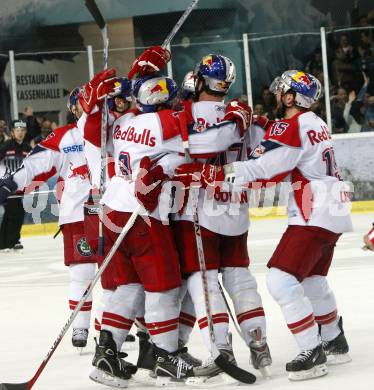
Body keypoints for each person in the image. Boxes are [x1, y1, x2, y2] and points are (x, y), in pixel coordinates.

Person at [81, 50, 250, 385]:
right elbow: (207, 142)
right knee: (165, 286)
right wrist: (236, 122)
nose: (179, 103)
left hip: (114, 211)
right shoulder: (165, 124)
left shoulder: (126, 121)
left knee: (129, 286)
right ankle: (166, 359)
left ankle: (107, 356)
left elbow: (94, 135)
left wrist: (111, 94)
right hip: (145, 216)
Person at [175, 70, 353, 381]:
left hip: (313, 212)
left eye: (282, 91)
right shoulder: (317, 122)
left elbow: (264, 166)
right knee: (311, 280)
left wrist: (216, 175)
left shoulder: (293, 124)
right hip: (334, 210)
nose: (276, 96)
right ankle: (334, 337)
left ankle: (312, 350)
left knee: (281, 280)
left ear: (290, 97)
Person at [171, 54, 271, 380]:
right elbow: (262, 148)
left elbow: (177, 150)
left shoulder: (183, 116)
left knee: (204, 282)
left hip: (197, 211)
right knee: (240, 278)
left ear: (200, 80)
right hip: (236, 210)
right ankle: (258, 339)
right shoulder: (243, 114)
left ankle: (220, 348)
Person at [0, 89, 97, 349]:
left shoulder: (114, 130)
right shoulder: (66, 136)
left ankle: (112, 328)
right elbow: (36, 163)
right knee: (83, 271)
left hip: (115, 212)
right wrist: (12, 182)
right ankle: (81, 326)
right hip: (79, 214)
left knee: (119, 275)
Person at [0, 119, 31, 251]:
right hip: (6, 185)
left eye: (22, 130)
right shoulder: (6, 146)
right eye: (17, 130)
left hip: (20, 186)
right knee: (15, 211)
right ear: (12, 132)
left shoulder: (27, 148)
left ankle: (4, 243)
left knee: (11, 214)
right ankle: (13, 241)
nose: (20, 133)